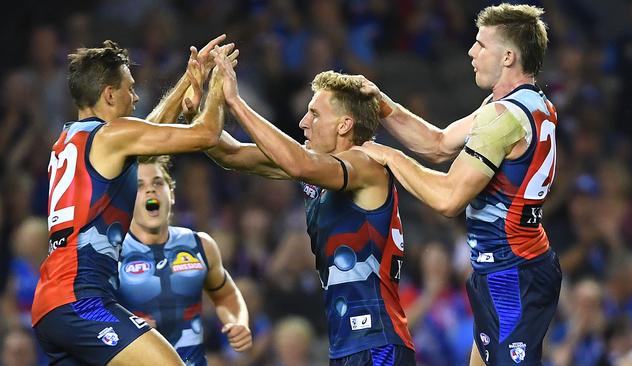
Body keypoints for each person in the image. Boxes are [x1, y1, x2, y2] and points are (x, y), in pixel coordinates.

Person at [356, 4, 562, 365]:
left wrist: (390, 157)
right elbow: (438, 144)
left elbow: (449, 198)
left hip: (511, 274)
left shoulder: (503, 118)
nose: (471, 52)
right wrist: (381, 105)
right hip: (504, 267)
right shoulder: (522, 105)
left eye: (481, 45)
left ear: (508, 56)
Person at [31, 36, 237, 366]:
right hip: (82, 300)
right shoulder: (111, 135)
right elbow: (206, 134)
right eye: (130, 87)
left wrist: (188, 79)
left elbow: (149, 137)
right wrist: (218, 83)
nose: (136, 96)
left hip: (51, 306)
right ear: (109, 94)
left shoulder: (70, 140)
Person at [204, 51, 416, 365]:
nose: (304, 122)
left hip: (377, 342)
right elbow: (230, 154)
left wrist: (236, 101)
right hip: (349, 344)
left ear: (344, 125)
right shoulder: (319, 169)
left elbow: (298, 163)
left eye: (314, 114)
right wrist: (204, 103)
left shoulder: (365, 163)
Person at [116, 155, 252, 365]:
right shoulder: (111, 254)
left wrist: (238, 322)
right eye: (140, 186)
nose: (151, 190)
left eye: (158, 183)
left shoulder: (200, 245)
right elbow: (87, 318)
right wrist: (127, 328)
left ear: (171, 194)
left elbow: (226, 295)